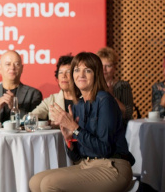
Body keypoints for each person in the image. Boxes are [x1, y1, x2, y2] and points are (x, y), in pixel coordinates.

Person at [29, 52, 134, 192]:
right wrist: (69, 140)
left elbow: (104, 149)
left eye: (88, 70)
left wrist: (75, 128)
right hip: (87, 164)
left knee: (48, 184)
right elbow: (77, 158)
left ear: (97, 74)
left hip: (113, 167)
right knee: (35, 182)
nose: (81, 75)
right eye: (77, 70)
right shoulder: (79, 104)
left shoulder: (105, 100)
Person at [0, 50, 42, 124]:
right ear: (0, 68)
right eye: (8, 64)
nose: (12, 68)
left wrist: (15, 108)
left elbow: (38, 122)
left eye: (17, 64)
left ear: (22, 68)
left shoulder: (33, 94)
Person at [31, 55, 75, 121]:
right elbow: (30, 117)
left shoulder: (85, 99)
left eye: (68, 72)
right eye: (60, 72)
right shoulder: (51, 100)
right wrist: (49, 124)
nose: (63, 76)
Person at [96, 47, 133, 123]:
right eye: (101, 65)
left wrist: (111, 95)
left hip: (118, 127)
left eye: (108, 66)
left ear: (114, 67)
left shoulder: (122, 85)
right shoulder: (91, 85)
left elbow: (127, 114)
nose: (104, 69)